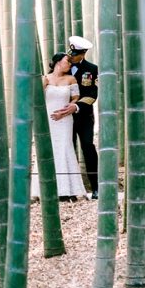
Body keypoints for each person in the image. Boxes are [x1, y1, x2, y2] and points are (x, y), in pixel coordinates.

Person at [31, 52, 88, 202]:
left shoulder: (71, 79)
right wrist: (43, 85)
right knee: (48, 150)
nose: (69, 64)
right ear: (57, 62)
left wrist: (67, 110)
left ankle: (67, 190)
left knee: (64, 148)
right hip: (48, 119)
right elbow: (37, 99)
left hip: (64, 119)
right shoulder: (45, 78)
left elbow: (75, 98)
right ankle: (44, 188)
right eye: (67, 61)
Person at [51, 36, 99, 199]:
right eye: (70, 54)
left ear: (83, 54)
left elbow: (92, 94)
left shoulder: (92, 69)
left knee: (88, 147)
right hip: (63, 118)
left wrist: (76, 106)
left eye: (75, 55)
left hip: (84, 116)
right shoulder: (62, 66)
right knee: (66, 149)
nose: (71, 57)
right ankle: (67, 190)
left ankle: (96, 187)